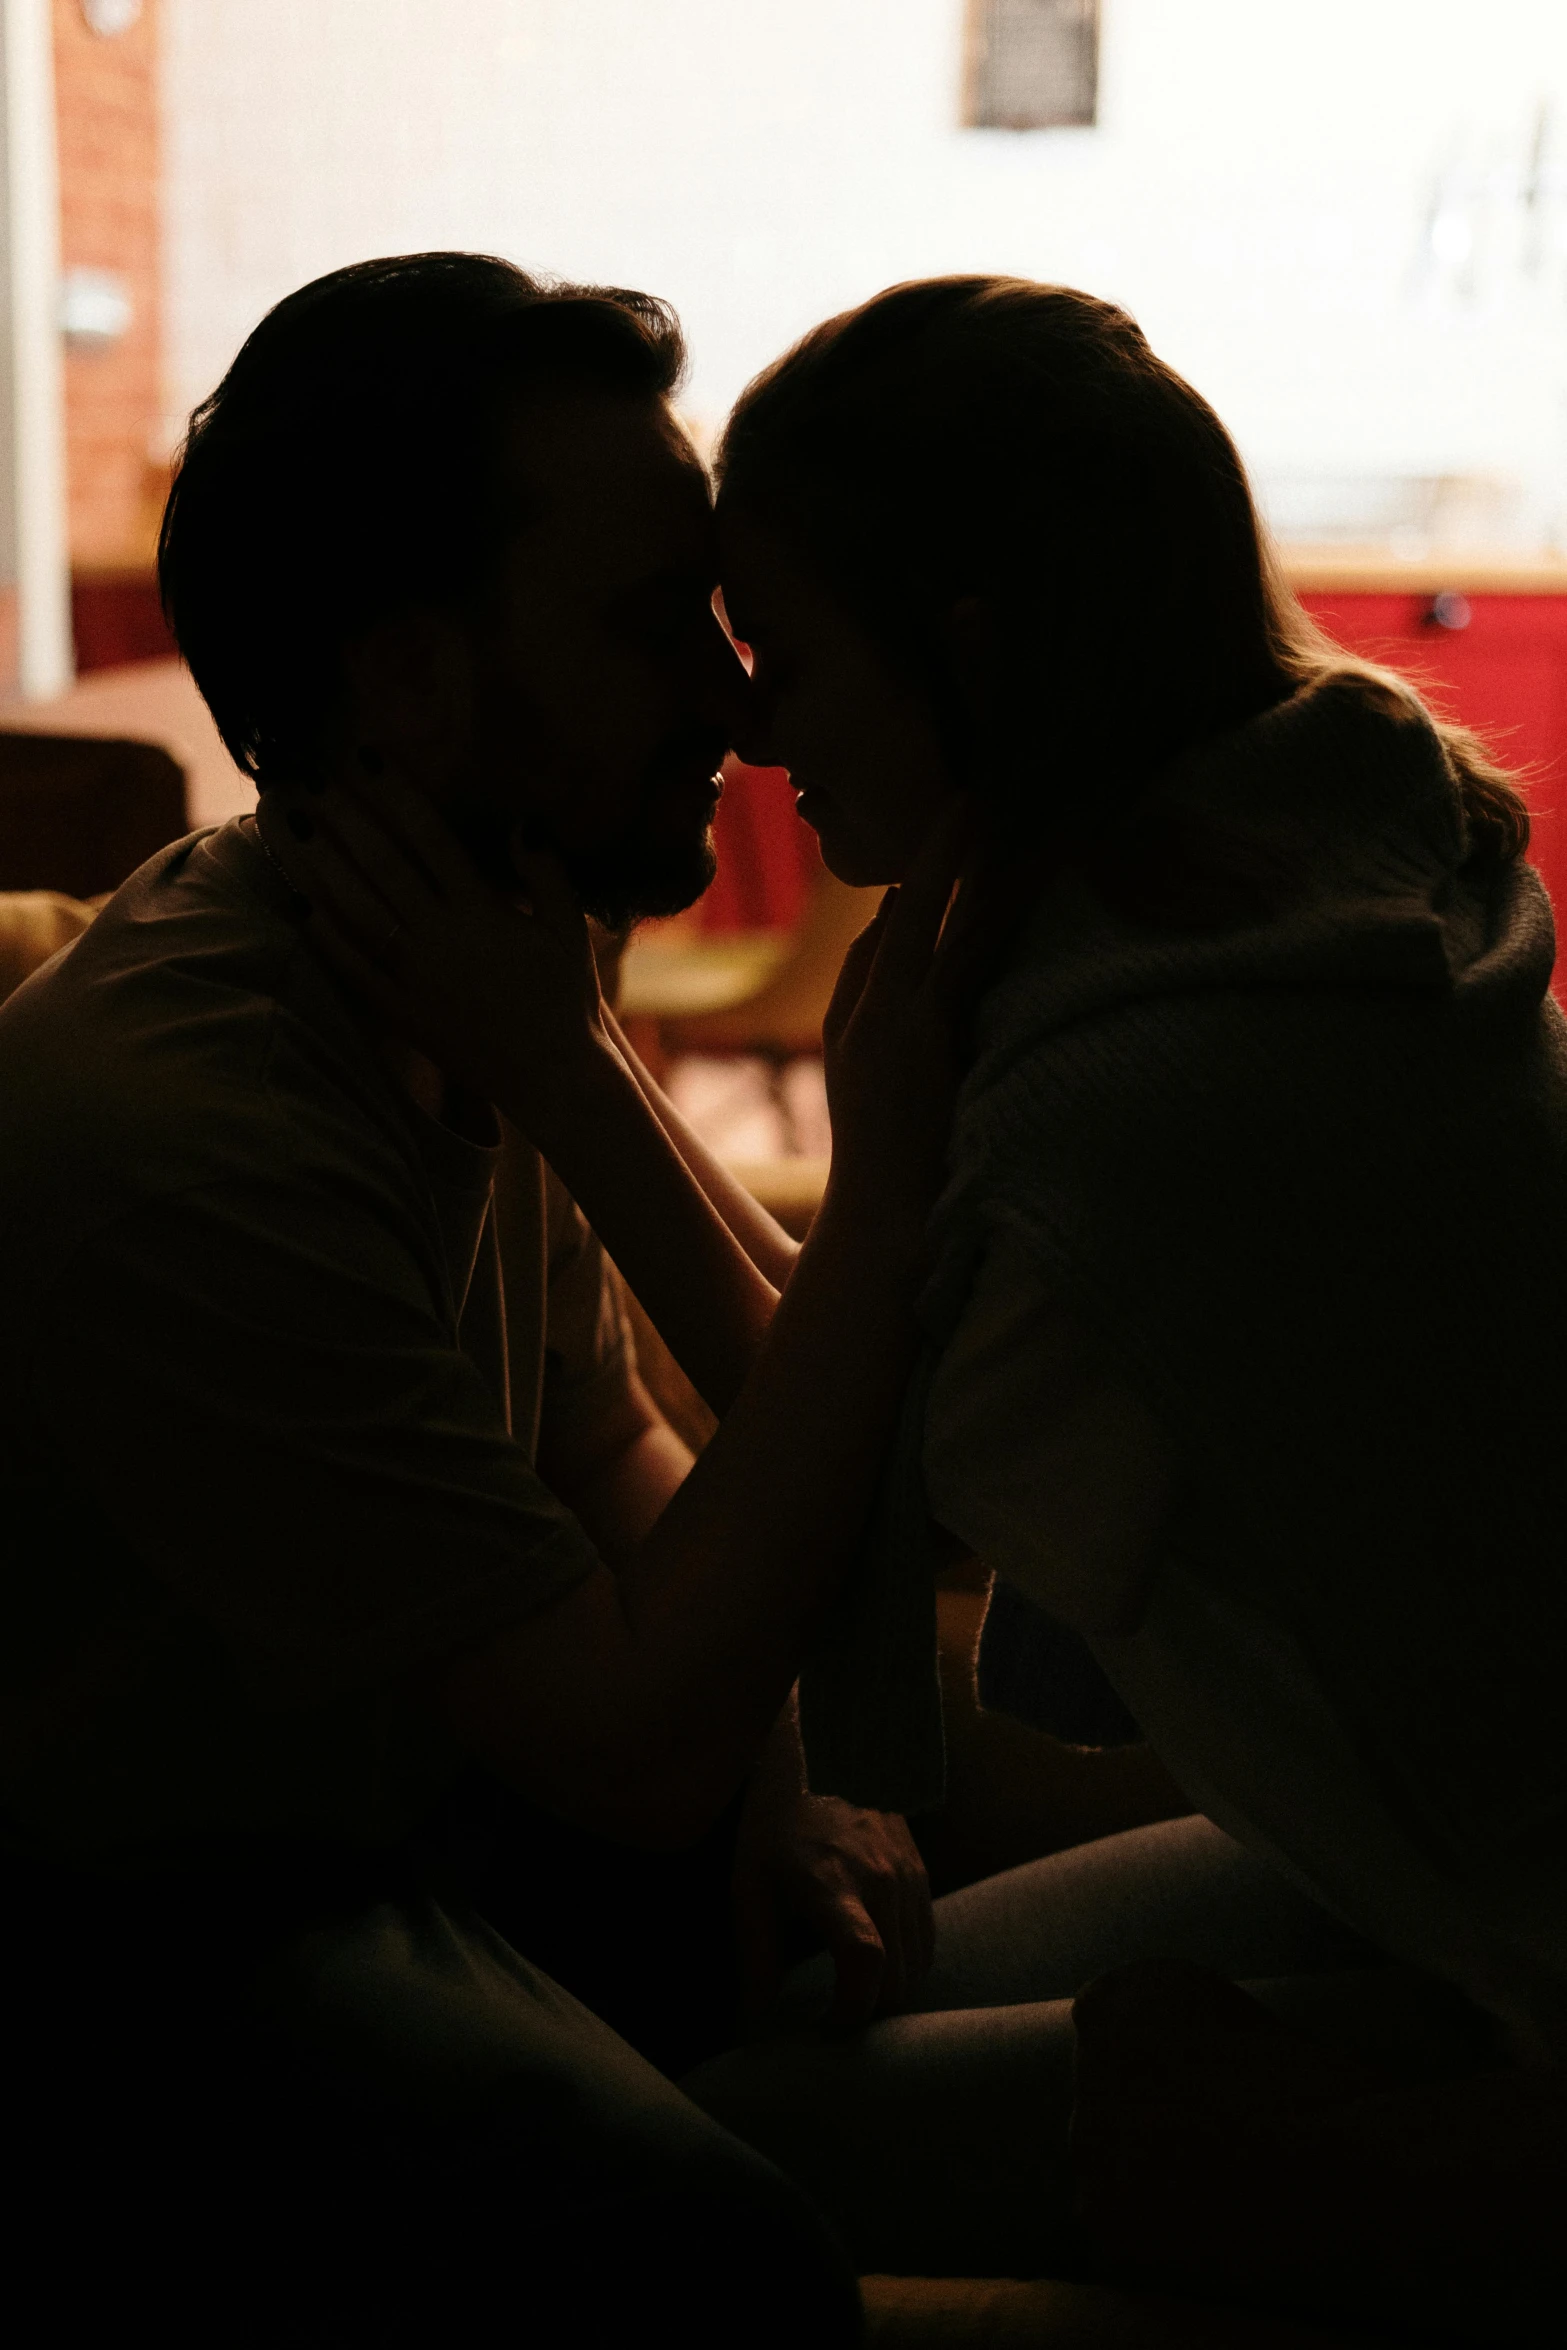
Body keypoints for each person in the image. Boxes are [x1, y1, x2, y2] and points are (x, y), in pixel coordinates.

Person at [0, 251, 994, 2346]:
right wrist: (892, 1167)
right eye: (656, 626)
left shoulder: (471, 951)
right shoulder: (193, 1116)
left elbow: (618, 1442)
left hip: (406, 1801)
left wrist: (789, 1770)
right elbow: (630, 1740)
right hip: (143, 1929)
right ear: (411, 684)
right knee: (714, 2259)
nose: (734, 695)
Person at [670, 275, 1567, 2334]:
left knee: (729, 2155)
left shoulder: (1132, 1100)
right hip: (1435, 1843)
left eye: (784, 656)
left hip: (1527, 1924)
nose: (741, 723)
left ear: (965, 655)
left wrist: (567, 1066)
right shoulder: (1344, 854)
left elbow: (837, 1482)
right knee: (825, 2031)